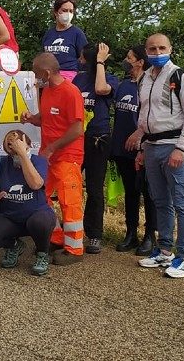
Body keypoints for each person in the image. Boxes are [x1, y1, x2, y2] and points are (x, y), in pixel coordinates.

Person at [131, 33, 184, 278]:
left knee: (181, 203)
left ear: (170, 48)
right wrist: (141, 147)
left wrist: (181, 148)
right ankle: (164, 251)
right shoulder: (145, 79)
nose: (157, 52)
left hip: (173, 145)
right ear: (146, 52)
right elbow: (144, 116)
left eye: (162, 48)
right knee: (160, 201)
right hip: (151, 146)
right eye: (152, 49)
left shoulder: (182, 77)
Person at [20, 53, 85, 264]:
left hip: (67, 156)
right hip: (50, 155)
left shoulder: (70, 92)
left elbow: (77, 129)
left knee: (69, 201)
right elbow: (46, 119)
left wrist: (52, 148)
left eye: (37, 73)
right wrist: (31, 119)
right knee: (42, 197)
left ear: (47, 73)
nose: (35, 77)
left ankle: (74, 250)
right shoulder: (46, 90)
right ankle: (56, 238)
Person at [0, 130, 56, 276]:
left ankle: (42, 254)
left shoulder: (39, 161)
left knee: (41, 222)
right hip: (9, 217)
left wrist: (23, 156)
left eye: (17, 146)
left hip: (35, 215)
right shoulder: (0, 162)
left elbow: (36, 184)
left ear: (28, 145)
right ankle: (14, 246)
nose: (14, 153)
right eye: (11, 148)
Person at [72, 43, 119, 254]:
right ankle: (72, 230)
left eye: (82, 59)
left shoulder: (110, 79)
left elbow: (100, 89)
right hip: (76, 138)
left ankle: (95, 235)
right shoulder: (78, 79)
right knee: (71, 184)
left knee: (94, 188)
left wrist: (100, 62)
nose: (79, 62)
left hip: (98, 138)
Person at [112, 45, 157, 255]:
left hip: (143, 148)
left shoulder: (149, 86)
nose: (125, 60)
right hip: (122, 149)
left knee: (148, 193)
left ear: (140, 61)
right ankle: (131, 233)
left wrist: (141, 138)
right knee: (131, 192)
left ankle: (150, 236)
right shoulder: (123, 85)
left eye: (129, 57)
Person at [41, 0, 88, 82]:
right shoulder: (49, 34)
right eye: (64, 10)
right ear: (56, 12)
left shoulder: (77, 33)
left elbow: (86, 59)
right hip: (49, 77)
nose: (68, 14)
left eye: (71, 11)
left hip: (69, 78)